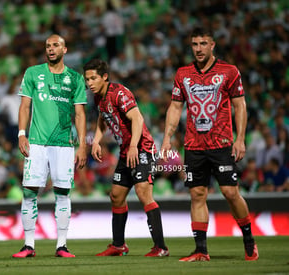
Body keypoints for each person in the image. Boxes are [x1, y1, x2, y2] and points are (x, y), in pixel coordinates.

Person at [161, 26, 258, 262]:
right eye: (195, 44)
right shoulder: (183, 74)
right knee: (197, 194)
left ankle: (248, 239)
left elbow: (239, 106)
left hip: (221, 143)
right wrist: (166, 137)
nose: (198, 49)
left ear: (212, 45)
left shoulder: (229, 71)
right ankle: (201, 250)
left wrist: (241, 138)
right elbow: (175, 107)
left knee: (230, 192)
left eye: (203, 44)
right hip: (193, 145)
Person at [83, 58, 169, 257]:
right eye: (87, 79)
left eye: (93, 78)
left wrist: (133, 147)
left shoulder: (120, 93)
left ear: (105, 77)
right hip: (125, 151)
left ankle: (161, 247)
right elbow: (102, 119)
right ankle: (119, 245)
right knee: (116, 196)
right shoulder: (98, 98)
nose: (89, 83)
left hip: (141, 148)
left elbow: (137, 118)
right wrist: (96, 140)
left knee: (143, 193)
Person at [12, 34, 87, 258]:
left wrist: (83, 145)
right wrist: (21, 134)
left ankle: (61, 245)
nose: (50, 49)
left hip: (64, 143)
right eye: (47, 46)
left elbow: (80, 114)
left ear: (65, 49)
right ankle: (28, 245)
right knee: (29, 192)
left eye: (55, 45)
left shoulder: (75, 78)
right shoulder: (33, 73)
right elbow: (25, 106)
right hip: (36, 142)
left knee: (63, 193)